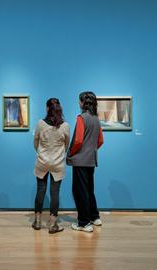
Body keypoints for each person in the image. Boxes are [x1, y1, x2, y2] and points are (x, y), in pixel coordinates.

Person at [66, 91, 104, 233]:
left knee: (79, 191)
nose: (78, 103)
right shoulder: (96, 119)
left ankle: (84, 223)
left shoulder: (81, 118)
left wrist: (71, 153)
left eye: (79, 101)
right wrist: (91, 150)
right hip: (91, 160)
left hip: (80, 161)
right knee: (89, 190)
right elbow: (100, 141)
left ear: (82, 102)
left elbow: (77, 140)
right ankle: (95, 217)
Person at [32, 98, 70, 234]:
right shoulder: (65, 125)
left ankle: (37, 222)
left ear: (47, 108)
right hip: (58, 163)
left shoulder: (40, 124)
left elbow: (35, 142)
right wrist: (58, 155)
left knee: (40, 190)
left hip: (42, 161)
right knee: (55, 193)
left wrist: (42, 152)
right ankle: (53, 225)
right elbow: (67, 144)